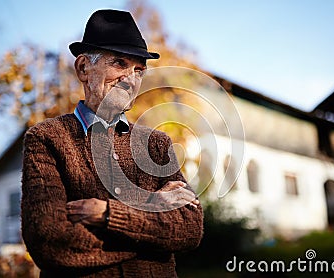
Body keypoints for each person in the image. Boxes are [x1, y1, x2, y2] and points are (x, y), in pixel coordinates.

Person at [21, 9, 203, 277]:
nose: (130, 80)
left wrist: (106, 214)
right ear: (84, 68)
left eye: (139, 70)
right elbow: (51, 241)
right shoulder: (46, 138)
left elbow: (189, 228)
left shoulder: (157, 144)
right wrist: (155, 209)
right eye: (119, 63)